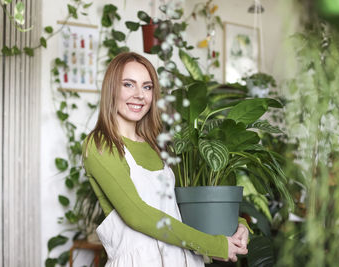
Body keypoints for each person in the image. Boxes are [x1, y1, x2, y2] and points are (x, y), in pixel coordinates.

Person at [82, 52, 251, 267]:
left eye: (147, 87)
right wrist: (214, 245)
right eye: (128, 84)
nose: (139, 95)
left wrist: (239, 225)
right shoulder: (99, 144)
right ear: (111, 89)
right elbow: (137, 215)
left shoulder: (156, 145)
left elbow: (190, 201)